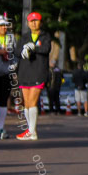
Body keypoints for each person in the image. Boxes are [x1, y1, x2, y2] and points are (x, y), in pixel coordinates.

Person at [17, 12, 51, 140]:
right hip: (25, 72)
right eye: (31, 21)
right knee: (26, 103)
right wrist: (24, 50)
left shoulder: (45, 36)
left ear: (40, 22)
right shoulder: (24, 37)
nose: (34, 23)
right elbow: (16, 51)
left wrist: (34, 48)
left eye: (36, 21)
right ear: (28, 23)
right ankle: (30, 129)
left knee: (32, 101)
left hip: (38, 72)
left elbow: (46, 49)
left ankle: (32, 131)